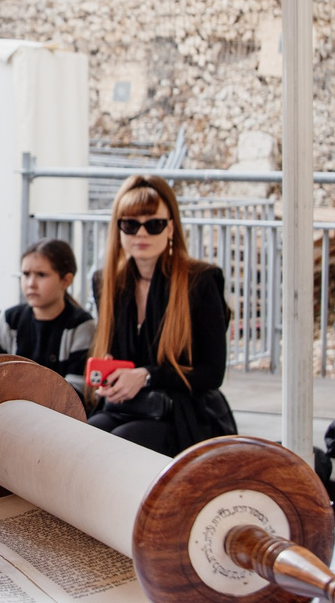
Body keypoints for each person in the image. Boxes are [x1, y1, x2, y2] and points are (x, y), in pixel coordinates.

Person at [84, 175, 233, 456]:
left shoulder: (200, 280)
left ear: (171, 228)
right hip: (128, 406)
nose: (141, 234)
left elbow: (213, 373)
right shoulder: (107, 282)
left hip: (184, 413)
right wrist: (112, 377)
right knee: (85, 437)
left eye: (153, 224)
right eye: (130, 224)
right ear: (118, 228)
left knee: (120, 445)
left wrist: (146, 376)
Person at [0, 238, 94, 402]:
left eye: (41, 275)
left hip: (61, 414)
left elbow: (76, 392)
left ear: (66, 280)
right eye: (26, 274)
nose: (31, 283)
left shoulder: (81, 325)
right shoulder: (8, 320)